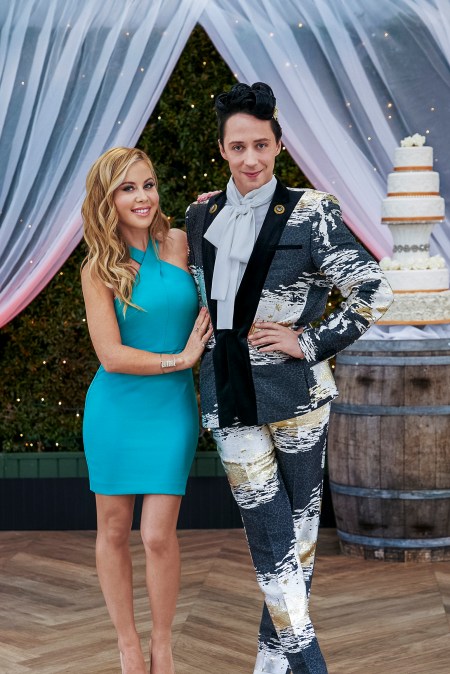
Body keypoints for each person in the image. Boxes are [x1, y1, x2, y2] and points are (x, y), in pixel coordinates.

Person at [186, 82, 393, 674]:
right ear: (222, 149)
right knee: (269, 534)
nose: (250, 158)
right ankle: (311, 665)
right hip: (229, 395)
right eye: (238, 147)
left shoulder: (314, 210)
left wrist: (307, 341)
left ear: (278, 145)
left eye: (261, 144)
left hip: (300, 398)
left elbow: (374, 291)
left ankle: (271, 665)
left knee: (298, 541)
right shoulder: (201, 214)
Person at [81, 147, 212, 674]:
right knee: (113, 531)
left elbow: (241, 245)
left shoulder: (180, 242)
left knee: (157, 534)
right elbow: (111, 356)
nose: (143, 197)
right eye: (128, 188)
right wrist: (181, 359)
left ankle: (163, 645)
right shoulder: (98, 269)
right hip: (116, 411)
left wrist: (220, 205)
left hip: (172, 410)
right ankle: (128, 646)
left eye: (149, 184)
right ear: (107, 199)